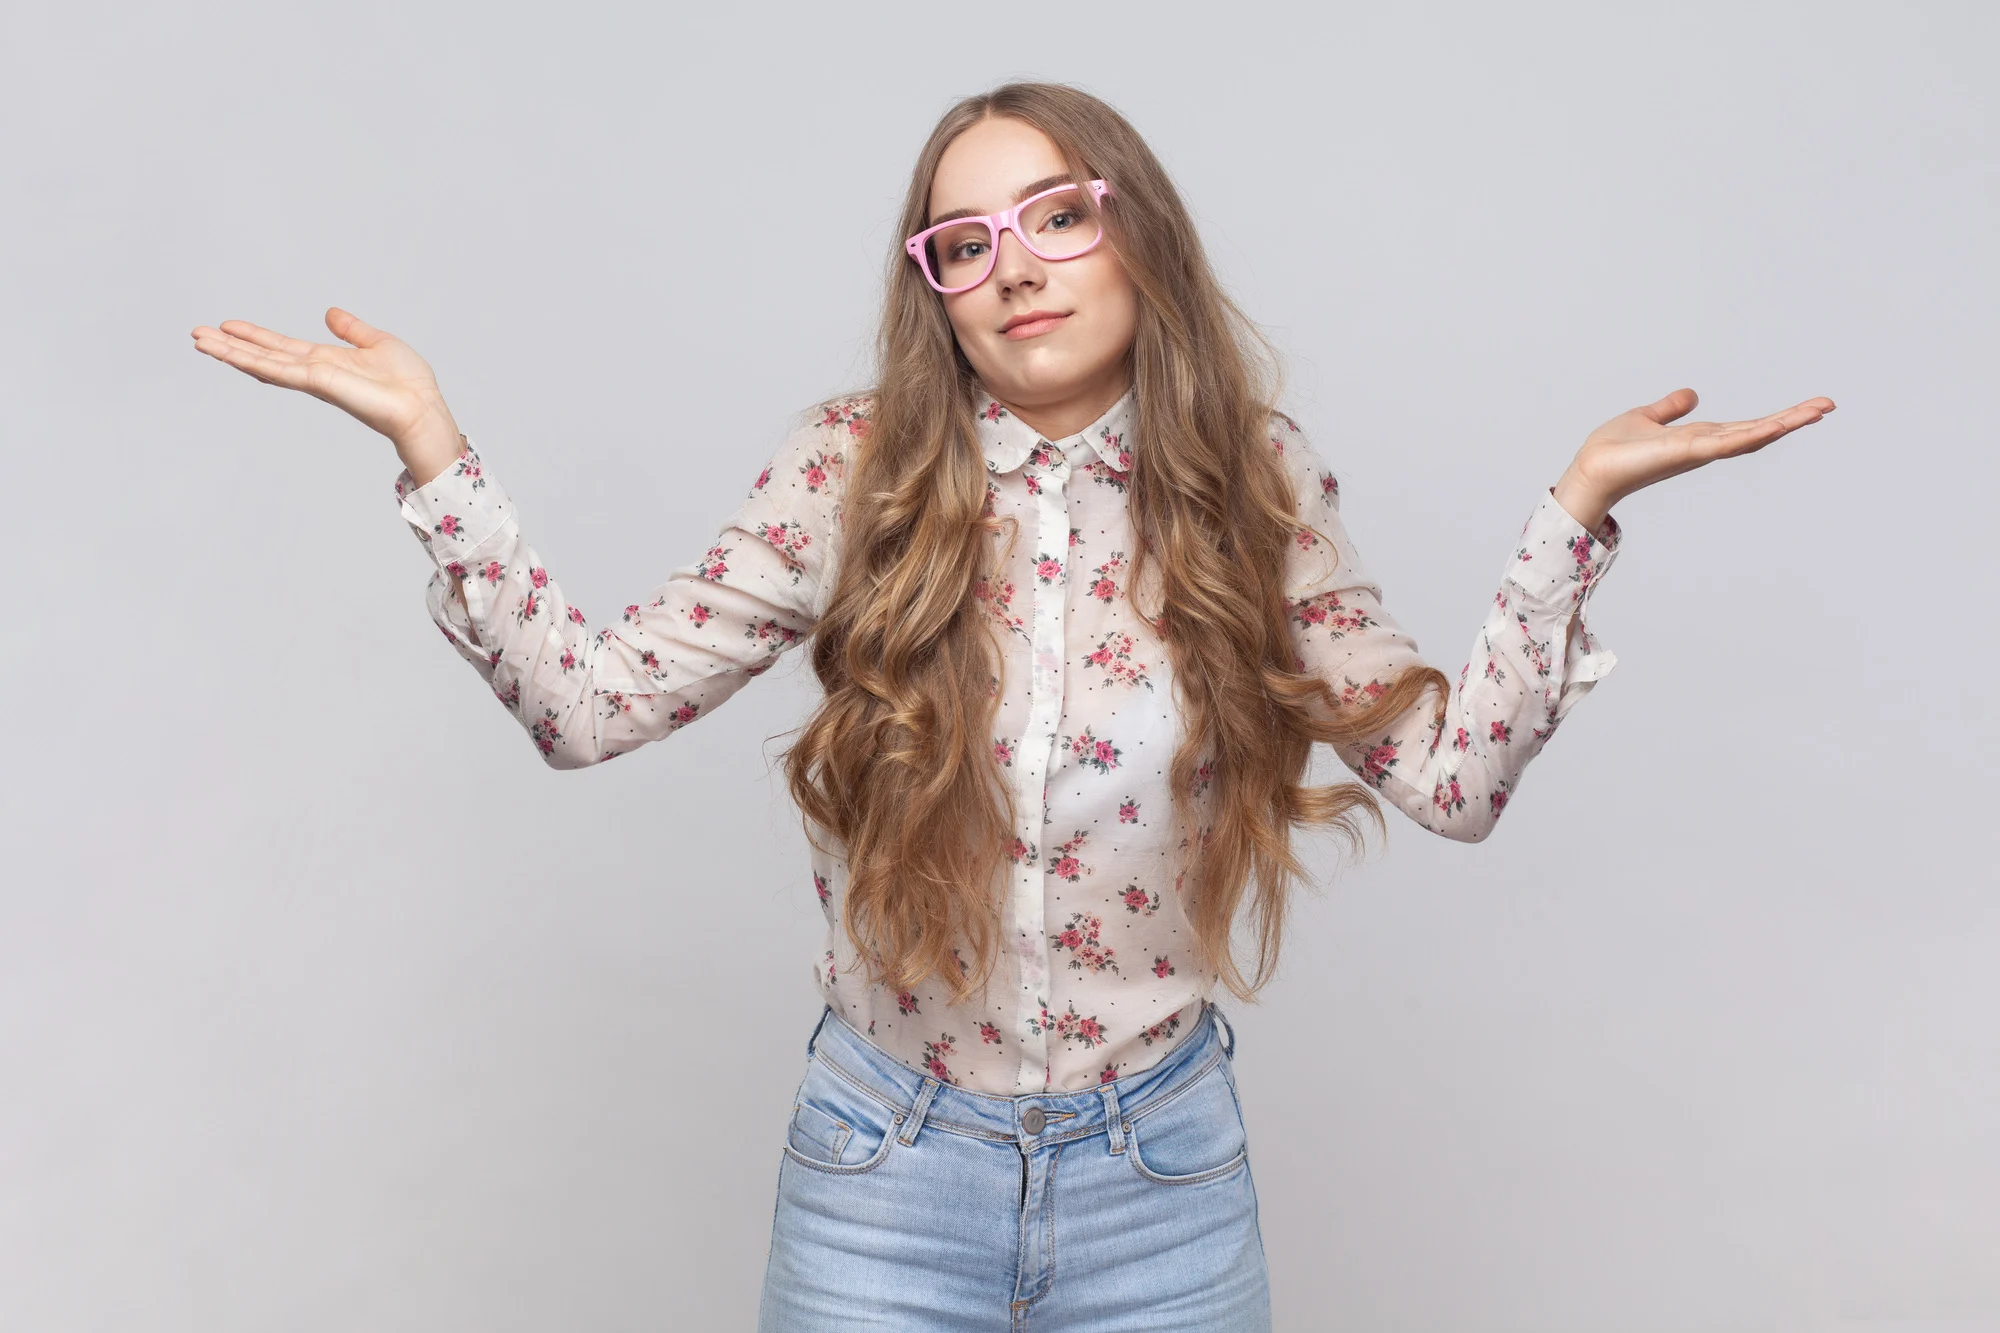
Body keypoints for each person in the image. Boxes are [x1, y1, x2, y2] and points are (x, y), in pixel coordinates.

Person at [192, 80, 1832, 1333]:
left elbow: (1451, 782)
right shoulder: (854, 472)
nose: (1014, 269)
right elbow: (588, 707)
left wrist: (1574, 515)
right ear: (936, 291)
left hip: (1160, 1176)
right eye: (963, 244)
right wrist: (433, 451)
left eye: (1059, 216)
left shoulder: (1248, 490)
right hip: (880, 1170)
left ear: (1139, 234)